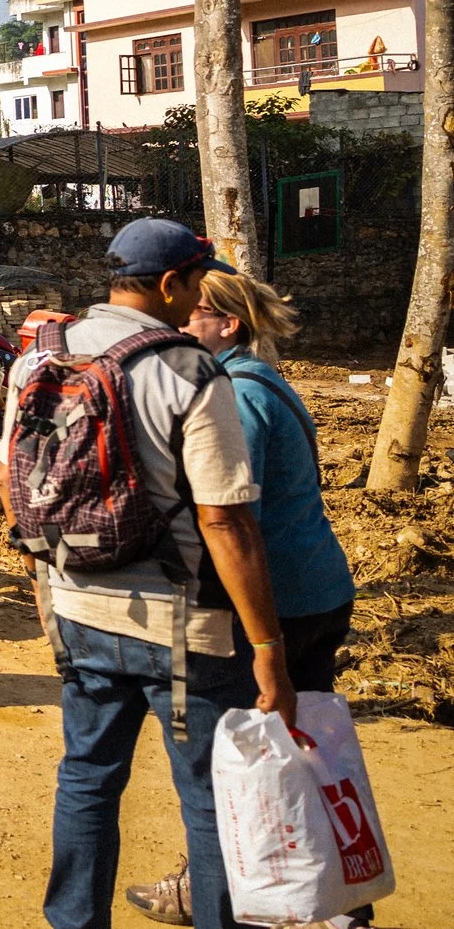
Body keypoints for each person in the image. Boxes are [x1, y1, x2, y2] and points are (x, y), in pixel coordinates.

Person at [5, 218, 295, 929]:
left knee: (86, 777)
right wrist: (268, 648)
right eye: (195, 281)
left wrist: (49, 592)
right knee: (206, 793)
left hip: (76, 608)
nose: (197, 294)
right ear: (170, 284)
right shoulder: (190, 370)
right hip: (182, 623)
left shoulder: (40, 357)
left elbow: (13, 479)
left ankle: (74, 920)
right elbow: (227, 520)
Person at [125, 269, 361, 929]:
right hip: (318, 591)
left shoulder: (234, 395)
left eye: (191, 313)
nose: (177, 324)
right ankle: (341, 898)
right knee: (306, 749)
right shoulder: (264, 382)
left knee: (226, 762)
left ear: (227, 324)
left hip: (268, 605)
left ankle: (216, 889)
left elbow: (226, 515)